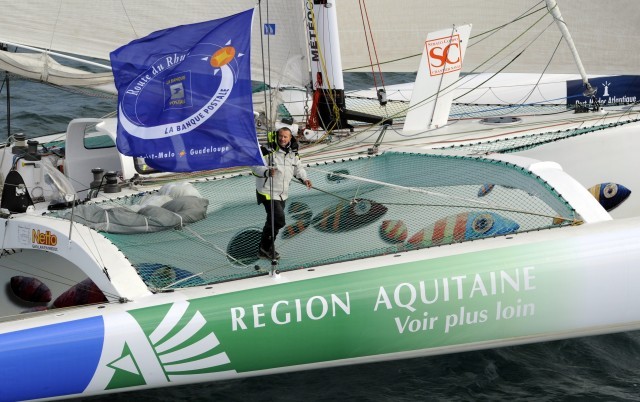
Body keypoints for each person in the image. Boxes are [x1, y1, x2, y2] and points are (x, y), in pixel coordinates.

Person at [252, 127, 312, 259]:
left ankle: (267, 248)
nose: (282, 139)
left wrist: (305, 179)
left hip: (282, 193)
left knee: (274, 221)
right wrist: (267, 172)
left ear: (290, 138)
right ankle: (265, 248)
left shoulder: (293, 152)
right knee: (278, 220)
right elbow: (255, 167)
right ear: (276, 136)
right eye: (280, 136)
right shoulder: (267, 150)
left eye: (285, 137)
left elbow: (298, 168)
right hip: (267, 191)